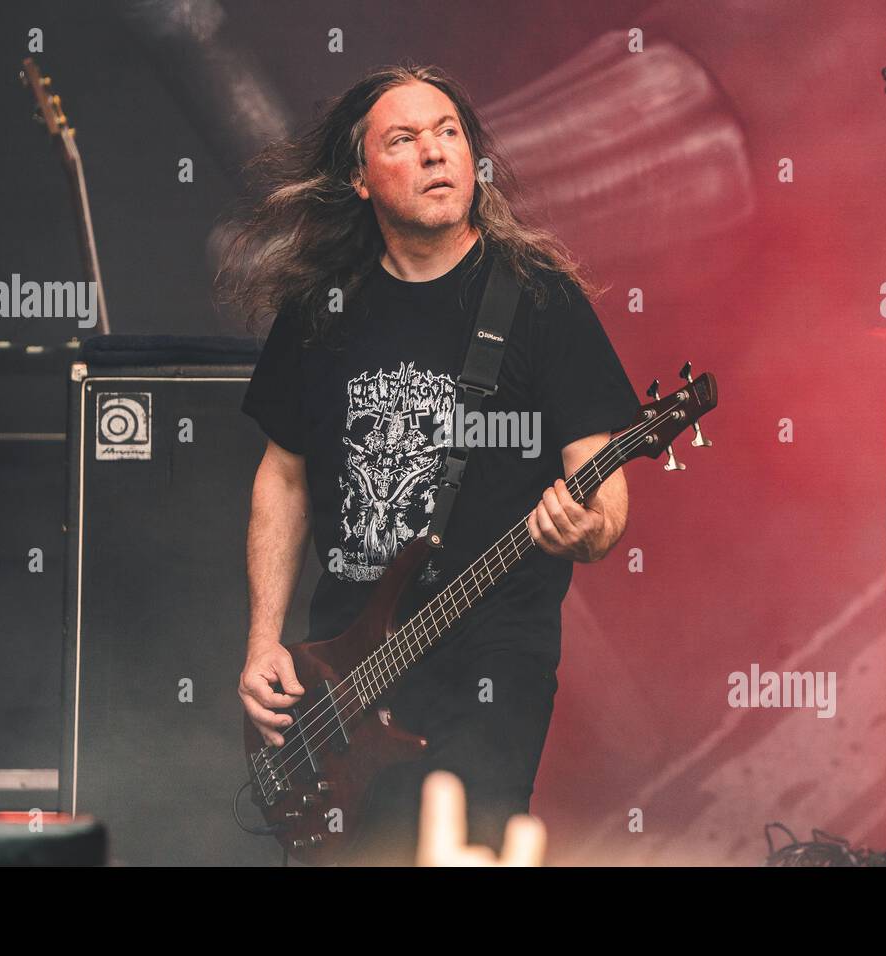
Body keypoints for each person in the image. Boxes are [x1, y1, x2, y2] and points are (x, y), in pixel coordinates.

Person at [225, 63, 640, 865]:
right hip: (345, 663)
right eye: (405, 140)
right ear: (359, 178)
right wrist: (262, 640)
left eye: (449, 133)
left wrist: (583, 525)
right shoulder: (322, 309)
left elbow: (606, 493)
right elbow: (283, 477)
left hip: (493, 651)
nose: (435, 153)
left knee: (469, 848)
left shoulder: (536, 298)